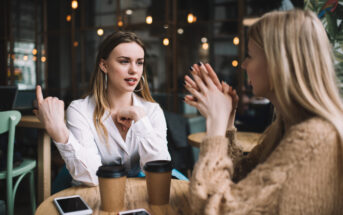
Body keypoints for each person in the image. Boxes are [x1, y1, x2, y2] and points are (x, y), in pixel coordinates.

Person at [184, 9, 343, 214]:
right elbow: (244, 181)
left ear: (278, 64)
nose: (243, 64)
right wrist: (227, 124)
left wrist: (215, 122)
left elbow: (214, 208)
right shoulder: (285, 127)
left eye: (250, 55)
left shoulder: (315, 138)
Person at [34, 31, 171, 186]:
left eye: (139, 62)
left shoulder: (152, 111)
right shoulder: (80, 110)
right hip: (95, 195)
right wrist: (60, 132)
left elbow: (160, 172)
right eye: (124, 61)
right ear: (104, 65)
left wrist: (140, 118)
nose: (134, 70)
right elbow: (92, 177)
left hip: (138, 194)